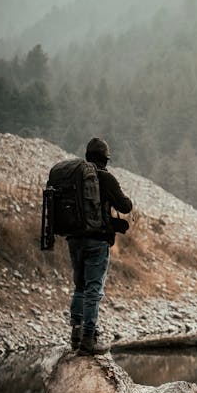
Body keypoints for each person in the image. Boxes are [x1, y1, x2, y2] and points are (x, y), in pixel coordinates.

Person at [69, 137, 133, 355]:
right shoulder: (105, 177)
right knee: (93, 290)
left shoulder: (74, 175)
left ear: (87, 156)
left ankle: (75, 336)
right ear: (105, 159)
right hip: (97, 240)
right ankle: (89, 339)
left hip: (74, 239)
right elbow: (125, 206)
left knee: (79, 286)